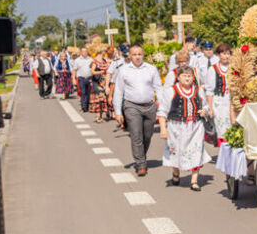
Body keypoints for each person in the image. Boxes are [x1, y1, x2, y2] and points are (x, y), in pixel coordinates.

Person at [157, 65, 211, 190]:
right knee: (176, 151)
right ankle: (176, 172)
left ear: (193, 78)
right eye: (184, 76)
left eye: (189, 76)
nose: (187, 78)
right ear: (178, 77)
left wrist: (204, 111)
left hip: (196, 126)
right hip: (176, 127)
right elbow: (162, 111)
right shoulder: (171, 91)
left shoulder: (198, 90)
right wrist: (163, 129)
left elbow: (206, 106)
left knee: (196, 151)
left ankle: (194, 181)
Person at [113, 46, 161, 177]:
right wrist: (118, 111)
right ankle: (140, 164)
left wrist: (162, 107)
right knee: (136, 135)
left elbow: (158, 88)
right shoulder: (123, 70)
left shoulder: (151, 69)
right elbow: (118, 91)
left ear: (143, 55)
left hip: (150, 106)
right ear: (130, 56)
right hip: (131, 106)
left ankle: (141, 156)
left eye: (140, 54)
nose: (137, 57)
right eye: (134, 54)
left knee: (147, 135)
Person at [206, 43, 232, 146]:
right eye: (223, 53)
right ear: (218, 55)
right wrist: (210, 108)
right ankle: (224, 153)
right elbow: (209, 90)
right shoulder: (213, 69)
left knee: (233, 127)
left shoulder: (234, 67)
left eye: (228, 53)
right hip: (219, 103)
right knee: (222, 129)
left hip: (232, 102)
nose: (226, 56)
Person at [89, 47, 110, 123]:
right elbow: (92, 72)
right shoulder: (94, 61)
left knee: (103, 100)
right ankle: (98, 117)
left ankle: (100, 116)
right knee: (98, 99)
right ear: (100, 51)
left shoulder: (104, 60)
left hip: (103, 82)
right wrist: (101, 72)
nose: (105, 52)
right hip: (96, 82)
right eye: (104, 50)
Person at [73, 46, 94, 112]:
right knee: (83, 92)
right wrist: (73, 79)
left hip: (89, 78)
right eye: (83, 51)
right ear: (81, 52)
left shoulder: (91, 59)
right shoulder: (77, 60)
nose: (84, 52)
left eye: (86, 51)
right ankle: (83, 106)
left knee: (88, 93)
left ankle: (87, 106)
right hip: (81, 78)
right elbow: (74, 70)